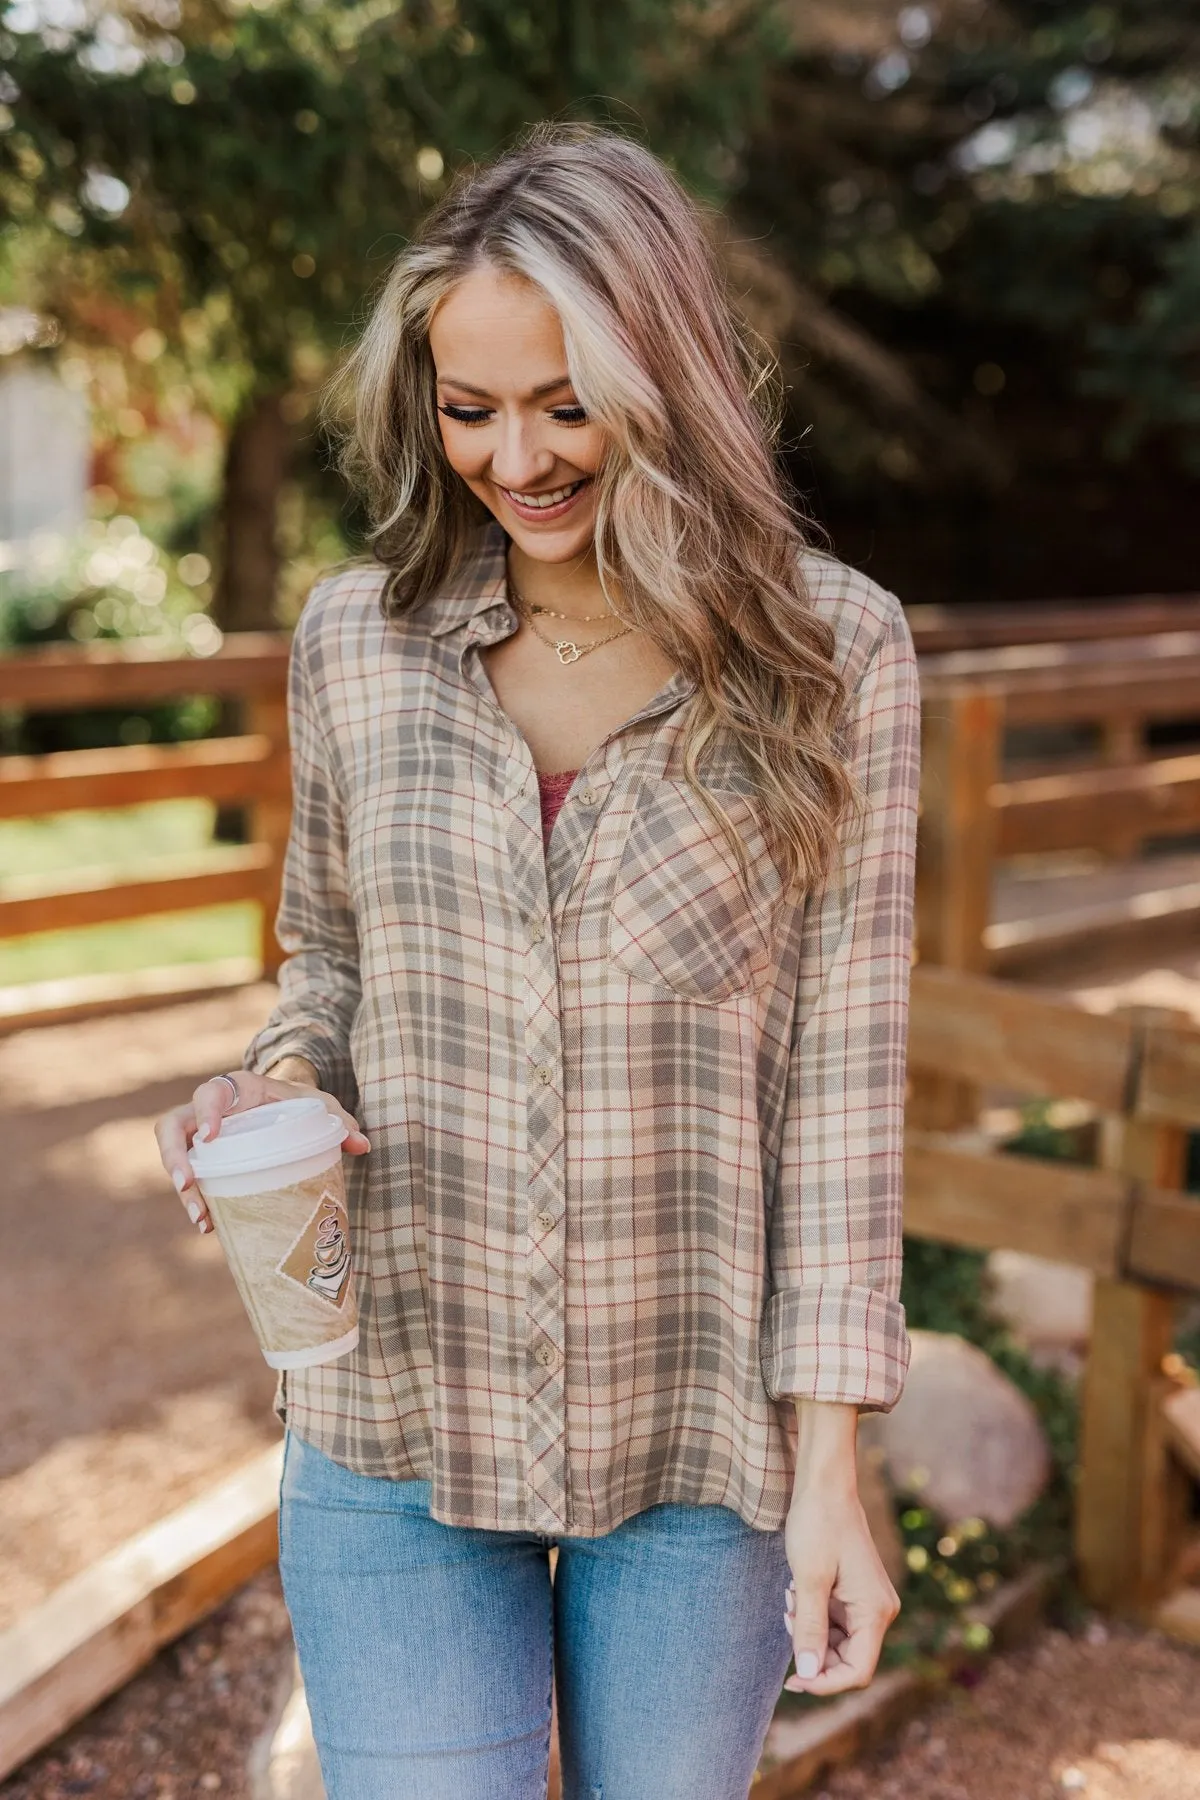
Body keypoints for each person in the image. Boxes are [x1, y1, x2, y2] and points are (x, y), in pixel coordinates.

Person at [155, 122, 921, 1800]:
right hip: (397, 1416)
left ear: (669, 377)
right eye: (469, 406)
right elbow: (329, 965)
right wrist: (272, 1086)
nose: (518, 458)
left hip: (701, 1441)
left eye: (567, 401)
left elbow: (848, 1098)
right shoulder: (357, 641)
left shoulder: (832, 653)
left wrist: (833, 1473)